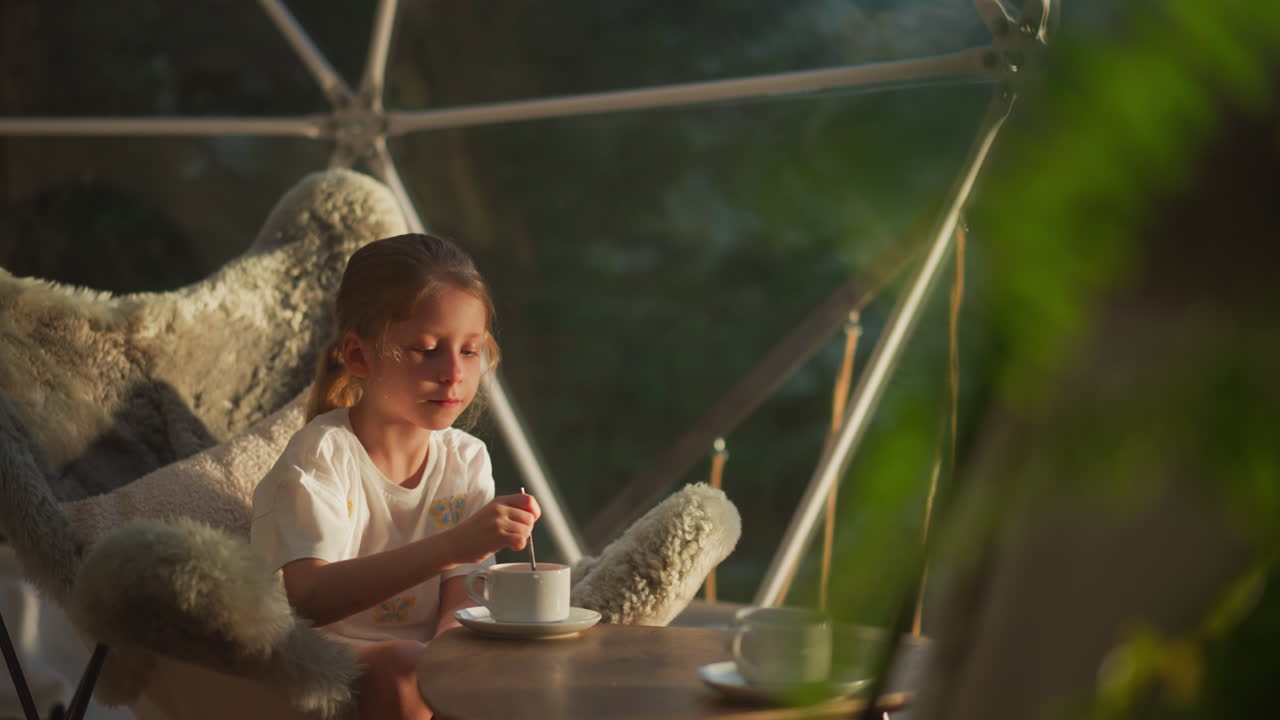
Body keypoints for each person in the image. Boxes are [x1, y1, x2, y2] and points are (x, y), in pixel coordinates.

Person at [250, 233, 540, 720]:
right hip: (319, 656)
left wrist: (453, 656)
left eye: (469, 351)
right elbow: (310, 599)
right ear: (360, 356)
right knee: (407, 666)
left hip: (423, 655)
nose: (453, 373)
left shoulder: (467, 461)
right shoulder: (324, 454)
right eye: (426, 350)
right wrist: (453, 545)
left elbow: (462, 601)